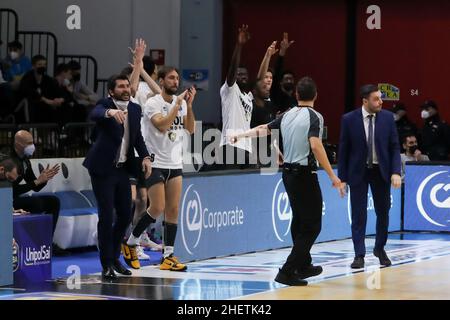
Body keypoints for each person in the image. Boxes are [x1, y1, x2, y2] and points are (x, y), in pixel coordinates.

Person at [231, 77, 341, 286]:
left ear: (297, 95)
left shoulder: (287, 114)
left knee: (299, 220)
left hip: (288, 174)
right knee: (312, 225)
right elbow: (316, 146)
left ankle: (303, 264)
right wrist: (332, 176)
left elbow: (264, 128)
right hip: (305, 175)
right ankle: (287, 270)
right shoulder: (315, 116)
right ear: (316, 95)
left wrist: (242, 134)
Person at [122, 66, 197, 272]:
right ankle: (130, 243)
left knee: (173, 209)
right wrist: (177, 105)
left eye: (177, 78)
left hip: (175, 163)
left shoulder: (180, 104)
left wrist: (188, 106)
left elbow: (190, 129)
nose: (175, 81)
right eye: (171, 78)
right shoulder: (152, 102)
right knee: (157, 207)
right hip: (154, 163)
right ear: (161, 81)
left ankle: (168, 255)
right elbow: (162, 125)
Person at [82, 74, 152, 280]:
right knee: (106, 216)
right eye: (120, 86)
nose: (125, 88)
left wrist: (146, 156)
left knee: (125, 213)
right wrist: (109, 112)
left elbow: (137, 137)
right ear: (111, 91)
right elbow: (94, 113)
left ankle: (114, 258)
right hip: (103, 168)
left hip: (123, 168)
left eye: (127, 85)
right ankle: (106, 264)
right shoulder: (105, 104)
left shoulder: (135, 108)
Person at [338, 84, 402, 269]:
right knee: (358, 214)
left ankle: (380, 248)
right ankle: (359, 254)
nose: (381, 101)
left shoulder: (388, 118)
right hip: (358, 172)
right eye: (376, 99)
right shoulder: (349, 119)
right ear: (365, 101)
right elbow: (344, 150)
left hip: (380, 171)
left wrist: (396, 171)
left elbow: (394, 146)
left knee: (383, 212)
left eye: (381, 98)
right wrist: (341, 178)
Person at [9, 130, 65, 254]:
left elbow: (35, 186)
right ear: (18, 144)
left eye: (32, 142)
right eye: (29, 143)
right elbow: (9, 189)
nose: (32, 146)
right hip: (5, 201)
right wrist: (36, 182)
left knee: (53, 202)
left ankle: (46, 243)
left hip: (14, 199)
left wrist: (43, 179)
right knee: (36, 203)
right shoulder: (7, 160)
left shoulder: (25, 160)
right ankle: (28, 244)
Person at [219, 25, 254, 168]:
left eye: (245, 74)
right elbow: (233, 68)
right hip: (230, 146)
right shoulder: (229, 90)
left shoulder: (249, 97)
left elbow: (261, 77)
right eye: (239, 74)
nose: (242, 77)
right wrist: (239, 45)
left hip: (247, 147)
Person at [18, 55, 63, 123]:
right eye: (39, 64)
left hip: (43, 105)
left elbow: (57, 91)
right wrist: (46, 100)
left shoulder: (48, 79)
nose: (42, 67)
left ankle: (58, 130)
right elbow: (29, 92)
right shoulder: (27, 78)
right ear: (33, 66)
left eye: (44, 64)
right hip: (29, 104)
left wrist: (60, 99)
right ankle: (30, 128)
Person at [271, 33, 296, 114]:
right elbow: (277, 72)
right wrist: (282, 52)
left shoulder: (296, 100)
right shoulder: (276, 94)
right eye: (286, 79)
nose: (289, 81)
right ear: (280, 82)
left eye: (291, 79)